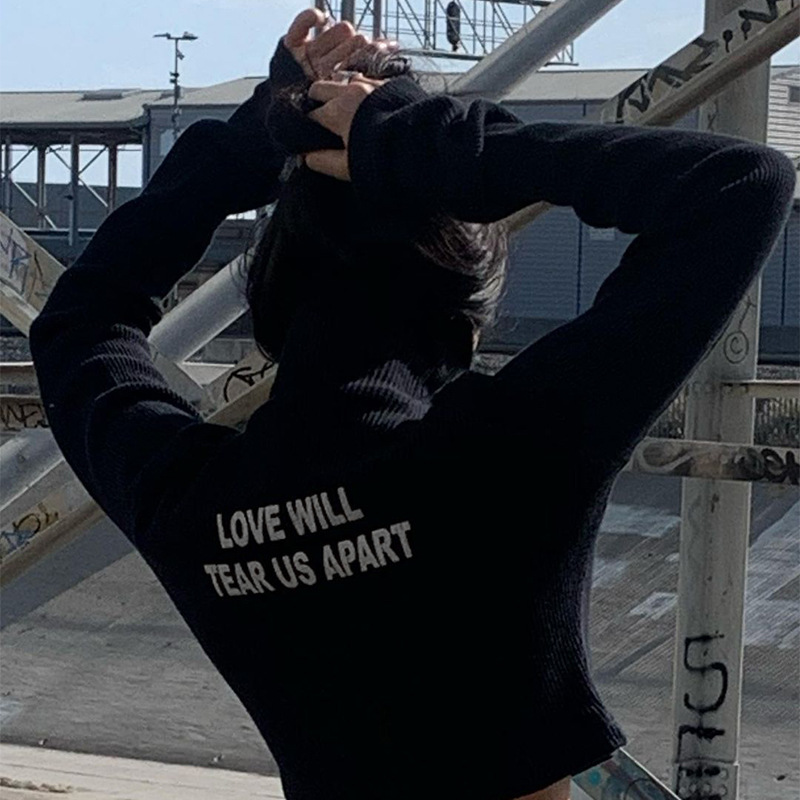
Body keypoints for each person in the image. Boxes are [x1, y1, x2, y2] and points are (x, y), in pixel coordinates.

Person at [29, 6, 796, 800]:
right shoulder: (511, 451)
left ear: (271, 303)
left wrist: (260, 133)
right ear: (465, 315)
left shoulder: (187, 501)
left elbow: (79, 324)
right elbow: (742, 185)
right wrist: (414, 140)